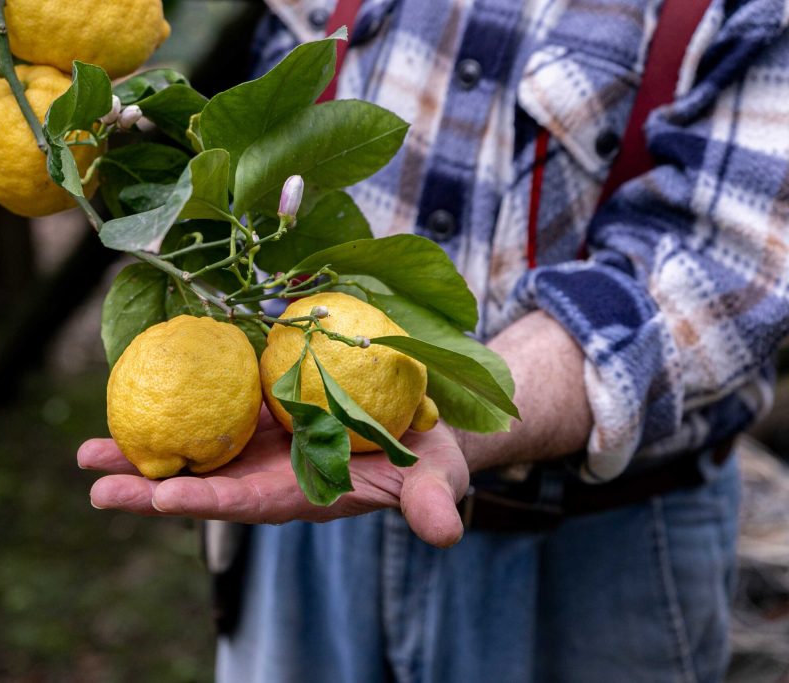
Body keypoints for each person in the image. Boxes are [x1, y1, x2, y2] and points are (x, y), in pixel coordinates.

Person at [78, 0, 789, 680]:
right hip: (307, 489)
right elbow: (282, 77)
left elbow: (725, 266)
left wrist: (451, 415)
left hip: (599, 548)